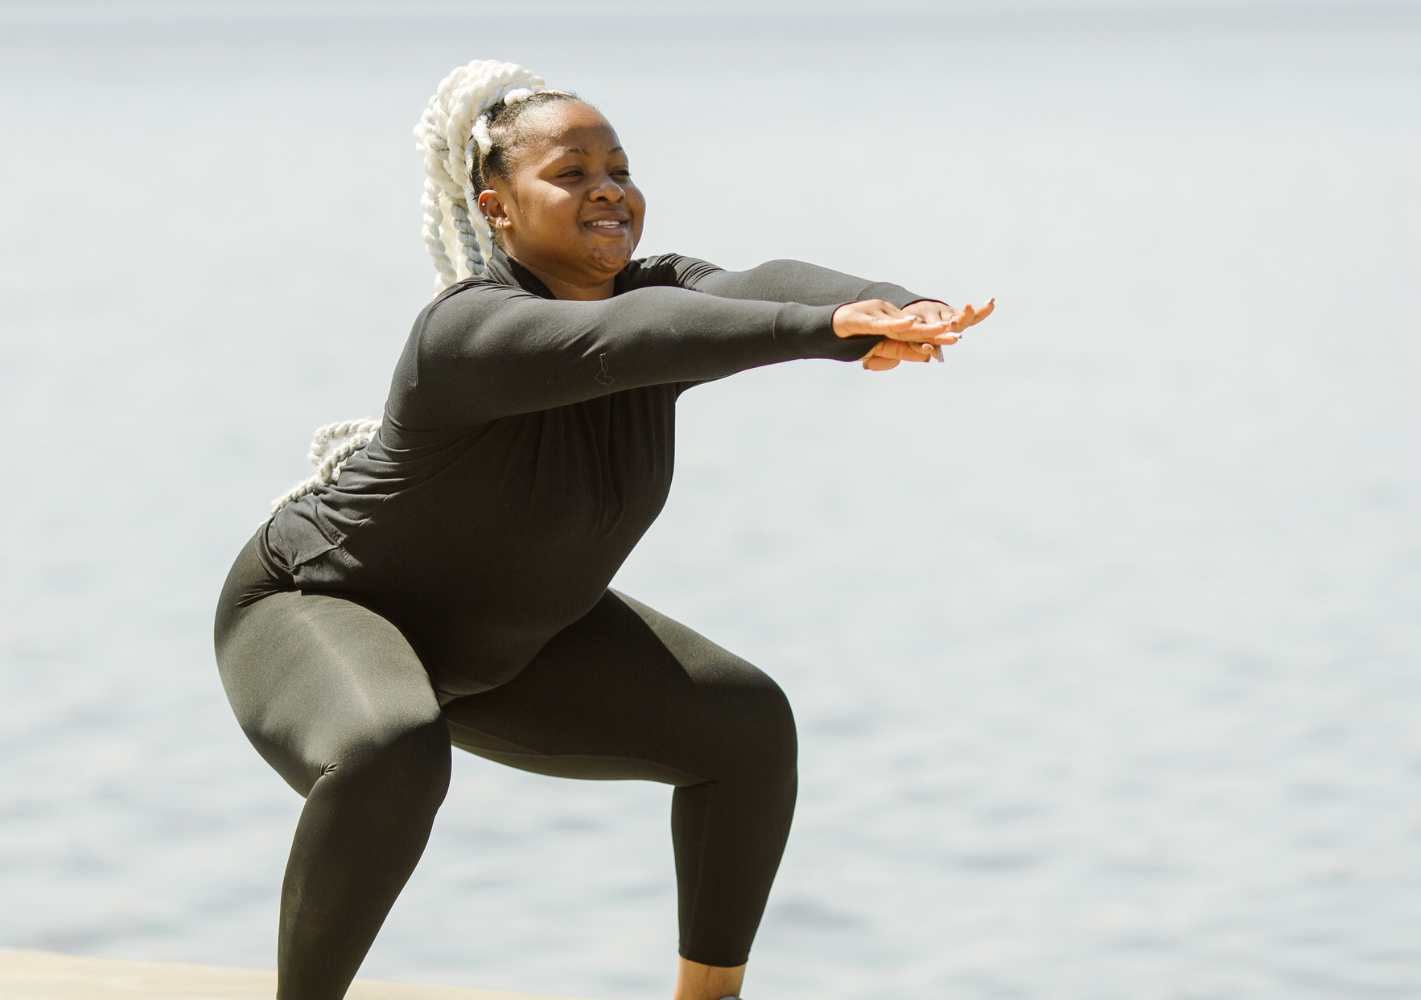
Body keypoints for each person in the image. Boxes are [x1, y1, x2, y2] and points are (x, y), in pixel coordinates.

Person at [213, 60, 995, 1000]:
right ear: (497, 211)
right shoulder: (465, 336)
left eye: (618, 168)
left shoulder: (655, 292)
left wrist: (891, 303)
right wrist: (822, 327)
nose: (608, 190)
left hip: (505, 641)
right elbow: (631, 340)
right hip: (318, 604)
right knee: (392, 747)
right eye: (571, 172)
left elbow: (748, 284)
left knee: (744, 729)